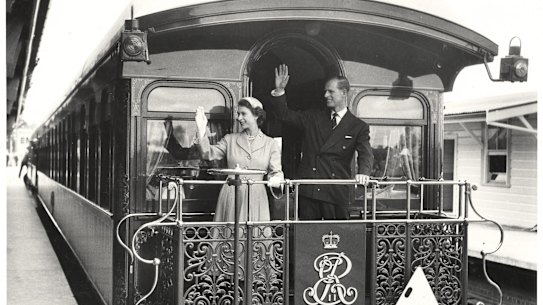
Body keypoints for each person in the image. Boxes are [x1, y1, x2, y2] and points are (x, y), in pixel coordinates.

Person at [269, 64, 373, 220]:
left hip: (335, 194)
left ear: (343, 93)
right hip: (309, 192)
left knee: (335, 239)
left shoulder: (358, 126)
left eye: (331, 91)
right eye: (325, 91)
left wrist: (364, 173)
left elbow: (366, 154)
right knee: (307, 239)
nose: (325, 95)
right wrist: (279, 91)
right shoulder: (314, 117)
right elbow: (285, 115)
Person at [195, 97, 283, 222]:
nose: (239, 118)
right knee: (231, 234)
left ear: (256, 115)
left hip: (257, 196)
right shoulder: (229, 139)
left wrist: (276, 179)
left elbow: (276, 171)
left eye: (243, 114)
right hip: (232, 193)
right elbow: (207, 153)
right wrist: (201, 130)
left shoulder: (270, 143)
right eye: (238, 114)